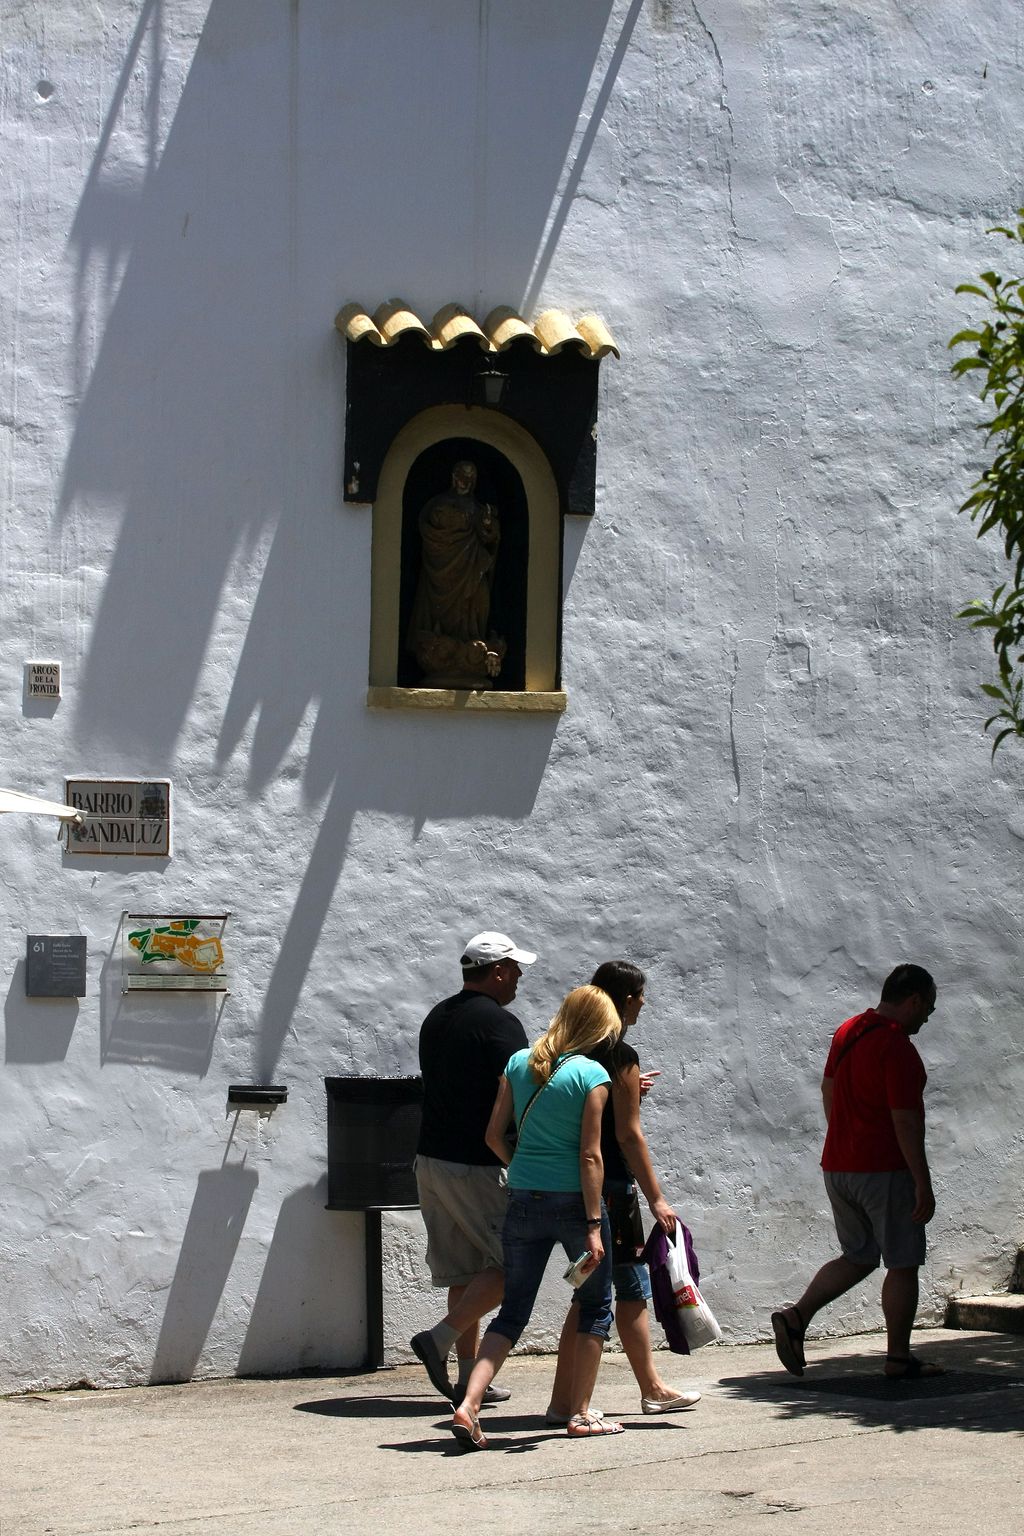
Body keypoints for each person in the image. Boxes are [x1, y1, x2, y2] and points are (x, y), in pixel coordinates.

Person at [450, 986, 623, 1450]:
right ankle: (581, 1414)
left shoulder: (519, 1062)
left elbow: (492, 1135)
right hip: (575, 1205)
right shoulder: (593, 1074)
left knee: (512, 1312)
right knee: (595, 1306)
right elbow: (590, 1156)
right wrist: (592, 1224)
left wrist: (523, 1165)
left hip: (524, 1198)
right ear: (598, 1027)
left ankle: (468, 1404)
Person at [545, 961, 701, 1419]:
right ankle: (649, 1388)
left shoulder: (562, 1053)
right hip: (612, 1188)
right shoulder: (618, 1056)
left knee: (588, 1292)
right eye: (640, 995)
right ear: (626, 999)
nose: (644, 1003)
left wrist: (631, 1092)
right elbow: (629, 1135)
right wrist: (657, 1197)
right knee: (630, 1288)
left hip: (569, 1186)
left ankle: (562, 1401)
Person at [771, 963, 939, 1379]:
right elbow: (905, 1121)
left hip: (840, 1166)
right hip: (884, 1168)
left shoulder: (849, 1030)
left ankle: (796, 1317)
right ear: (914, 1000)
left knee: (859, 1255)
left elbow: (828, 1088)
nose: (928, 1017)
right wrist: (922, 1181)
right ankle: (898, 1357)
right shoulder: (896, 1046)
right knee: (902, 1262)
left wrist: (845, 1136)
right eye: (928, 1008)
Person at [410, 930, 534, 1405]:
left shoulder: (437, 1015)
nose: (519, 977)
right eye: (516, 969)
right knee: (515, 1263)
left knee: (465, 1271)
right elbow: (522, 1093)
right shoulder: (500, 1025)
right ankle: (439, 1338)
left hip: (431, 1161)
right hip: (478, 1165)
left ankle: (467, 1379)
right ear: (499, 969)